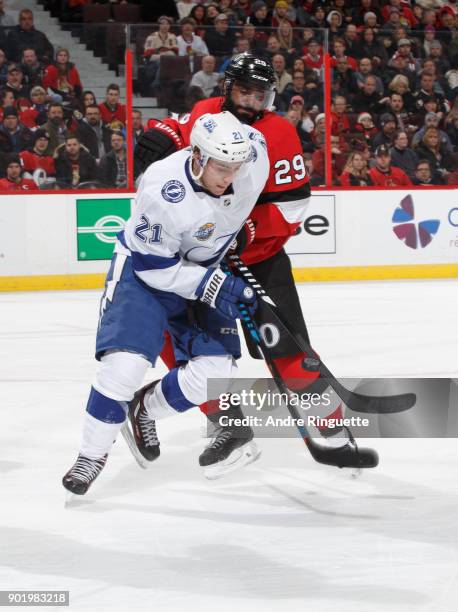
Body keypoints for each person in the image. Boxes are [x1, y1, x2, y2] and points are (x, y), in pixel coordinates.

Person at [134, 53, 378, 474]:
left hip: (260, 259)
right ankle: (226, 425)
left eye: (260, 94)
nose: (251, 101)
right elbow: (182, 132)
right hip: (203, 263)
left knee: (289, 347)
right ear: (225, 87)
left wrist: (246, 234)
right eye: (244, 91)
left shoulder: (280, 133)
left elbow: (293, 207)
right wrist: (164, 131)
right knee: (192, 349)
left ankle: (334, 428)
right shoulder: (206, 112)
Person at [62, 111, 269, 495]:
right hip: (146, 276)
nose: (230, 177)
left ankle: (144, 410)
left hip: (204, 267)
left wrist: (242, 230)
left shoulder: (255, 153)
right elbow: (155, 268)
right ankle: (91, 454)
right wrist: (214, 285)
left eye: (236, 168)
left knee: (214, 374)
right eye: (221, 168)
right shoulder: (162, 189)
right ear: (198, 157)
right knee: (124, 367)